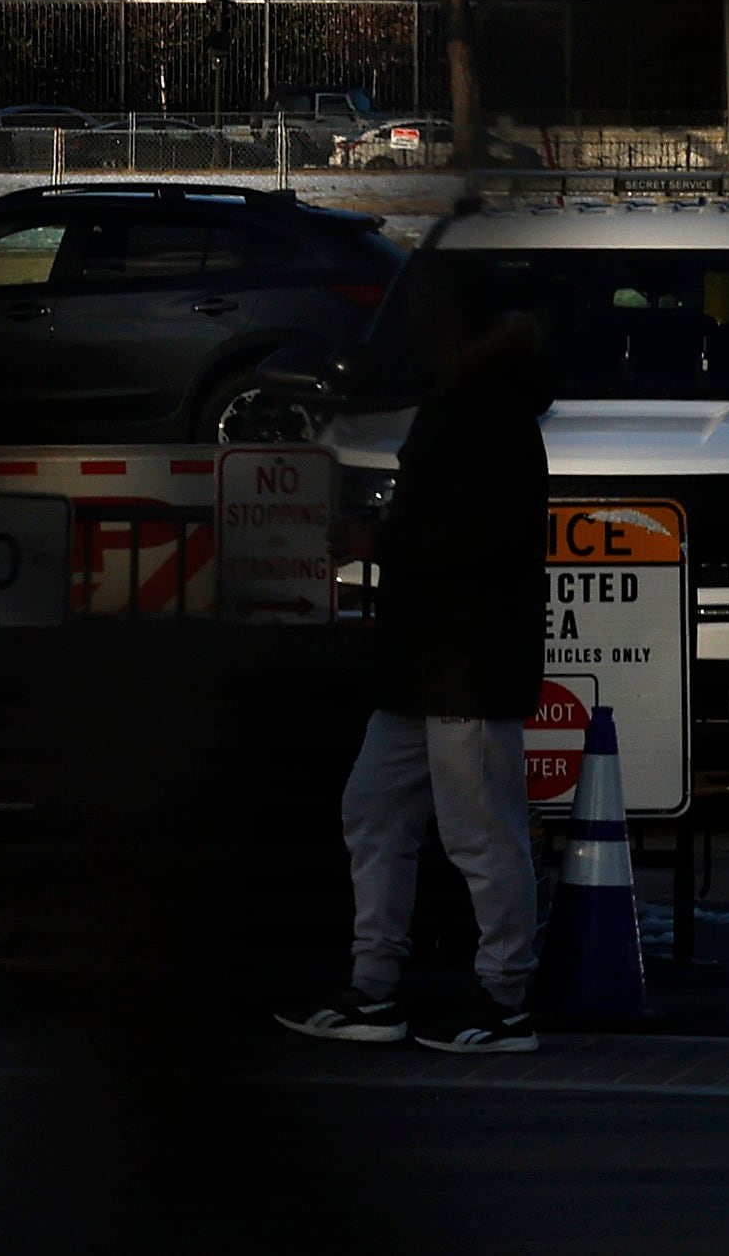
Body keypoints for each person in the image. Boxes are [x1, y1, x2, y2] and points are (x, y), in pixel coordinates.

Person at [282, 311, 554, 1054]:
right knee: (383, 812)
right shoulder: (485, 407)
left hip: (459, 659)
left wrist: (383, 541)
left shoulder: (477, 413)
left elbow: (478, 539)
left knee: (468, 830)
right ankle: (399, 988)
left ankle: (496, 1000)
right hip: (439, 661)